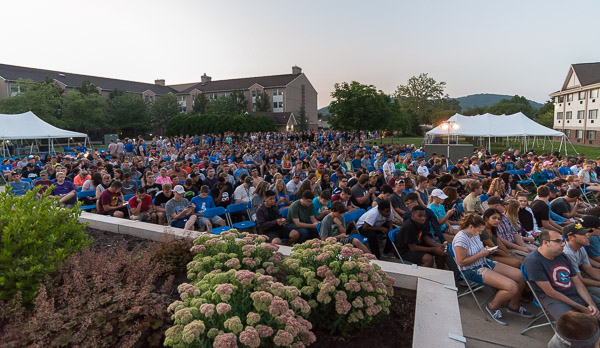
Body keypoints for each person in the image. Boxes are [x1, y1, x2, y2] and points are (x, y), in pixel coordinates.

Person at [452, 213, 533, 325]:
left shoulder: (474, 234)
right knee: (512, 287)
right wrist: (481, 254)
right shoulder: (461, 239)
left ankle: (513, 306)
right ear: (471, 227)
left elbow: (479, 250)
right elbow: (461, 262)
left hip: (484, 262)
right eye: (479, 231)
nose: (480, 233)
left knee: (521, 275)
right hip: (471, 269)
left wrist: (486, 250)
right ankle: (492, 306)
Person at [523, 226, 600, 321]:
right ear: (546, 243)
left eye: (563, 241)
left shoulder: (562, 255)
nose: (563, 244)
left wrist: (591, 304)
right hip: (552, 298)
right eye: (558, 241)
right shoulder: (533, 261)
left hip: (572, 292)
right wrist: (582, 308)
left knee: (595, 309)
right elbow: (550, 292)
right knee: (575, 323)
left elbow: (578, 283)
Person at [562, 217, 600, 298]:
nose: (587, 236)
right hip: (570, 285)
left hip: (580, 277)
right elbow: (579, 280)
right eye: (583, 234)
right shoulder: (568, 253)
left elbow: (589, 270)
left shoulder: (580, 247)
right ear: (571, 237)